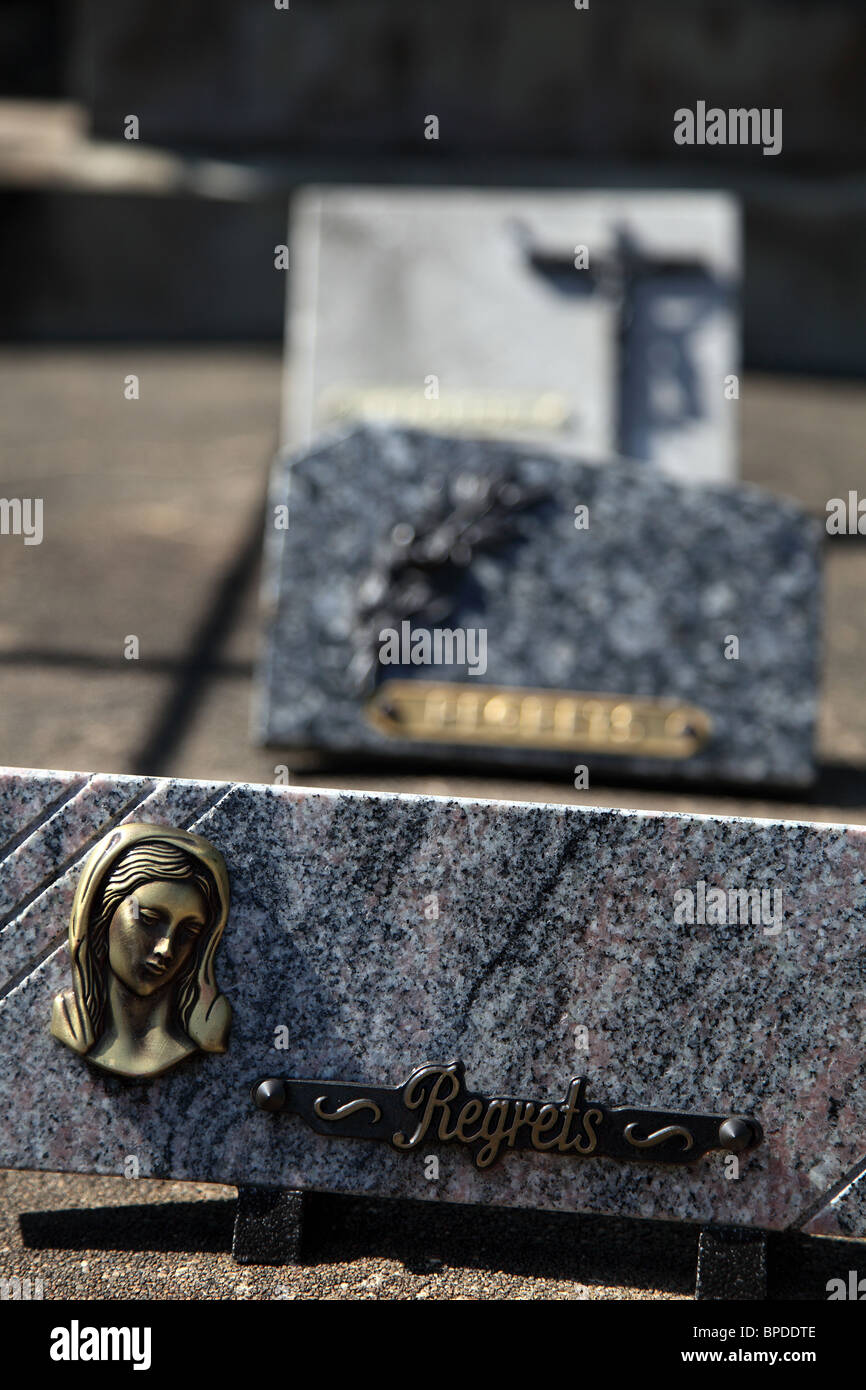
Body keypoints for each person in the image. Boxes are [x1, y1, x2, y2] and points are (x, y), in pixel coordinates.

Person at [51, 822, 231, 1078]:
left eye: (188, 933)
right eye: (147, 919)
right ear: (101, 918)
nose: (166, 948)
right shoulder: (68, 1020)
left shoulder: (203, 1034)